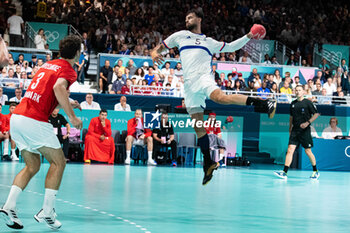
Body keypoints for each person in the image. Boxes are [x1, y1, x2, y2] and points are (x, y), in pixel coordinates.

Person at [151, 9, 274, 185]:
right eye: (186, 17)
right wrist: (155, 54)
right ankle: (208, 163)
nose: (187, 19)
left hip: (204, 78)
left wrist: (248, 35)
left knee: (221, 97)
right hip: (190, 86)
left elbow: (231, 47)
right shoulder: (179, 36)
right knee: (198, 127)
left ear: (199, 19)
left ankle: (264, 103)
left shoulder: (209, 42)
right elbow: (158, 49)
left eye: (190, 16)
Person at [0, 35, 83, 230]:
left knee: (32, 165)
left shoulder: (49, 64)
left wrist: (69, 102)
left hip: (18, 118)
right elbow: (58, 87)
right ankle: (47, 211)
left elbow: (47, 91)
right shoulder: (69, 71)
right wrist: (72, 117)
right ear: (78, 53)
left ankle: (9, 206)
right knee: (58, 162)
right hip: (33, 120)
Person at [274, 85, 320, 180]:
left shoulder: (308, 103)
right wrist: (290, 127)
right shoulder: (293, 103)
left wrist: (307, 123)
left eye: (299, 90)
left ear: (303, 92)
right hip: (295, 130)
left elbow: (316, 114)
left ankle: (315, 171)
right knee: (290, 150)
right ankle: (284, 172)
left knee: (308, 151)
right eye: (296, 90)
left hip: (305, 131)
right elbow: (291, 117)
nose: (298, 92)